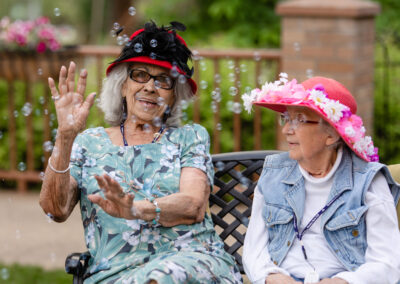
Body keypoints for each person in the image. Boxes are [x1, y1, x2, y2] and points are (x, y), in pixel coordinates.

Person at [39, 21, 242, 284]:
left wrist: (136, 209)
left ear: (174, 96)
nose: (150, 87)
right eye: (140, 75)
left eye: (163, 80)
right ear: (123, 86)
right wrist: (65, 139)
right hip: (115, 274)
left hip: (190, 262)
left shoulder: (189, 137)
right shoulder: (89, 143)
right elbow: (55, 210)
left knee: (161, 278)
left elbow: (193, 206)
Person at [241, 75, 400, 284]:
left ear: (331, 135)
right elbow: (254, 251)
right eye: (286, 118)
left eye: (299, 120)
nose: (286, 129)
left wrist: (342, 282)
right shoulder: (273, 174)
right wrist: (272, 277)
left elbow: (387, 262)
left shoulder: (368, 181)